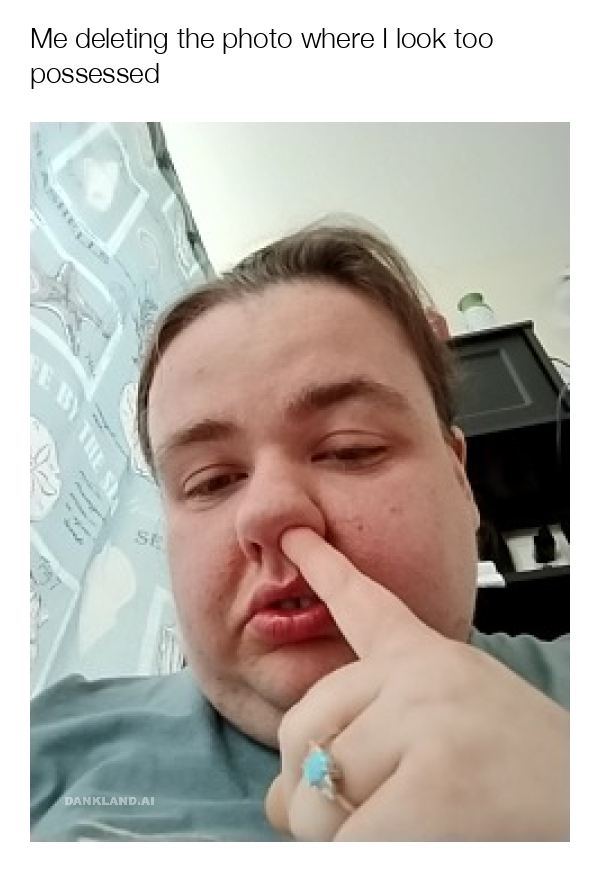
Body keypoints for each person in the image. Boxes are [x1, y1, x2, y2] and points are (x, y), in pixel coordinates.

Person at [30, 220, 569, 841]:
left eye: (350, 448)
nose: (266, 512)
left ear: (460, 479)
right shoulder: (44, 748)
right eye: (210, 481)